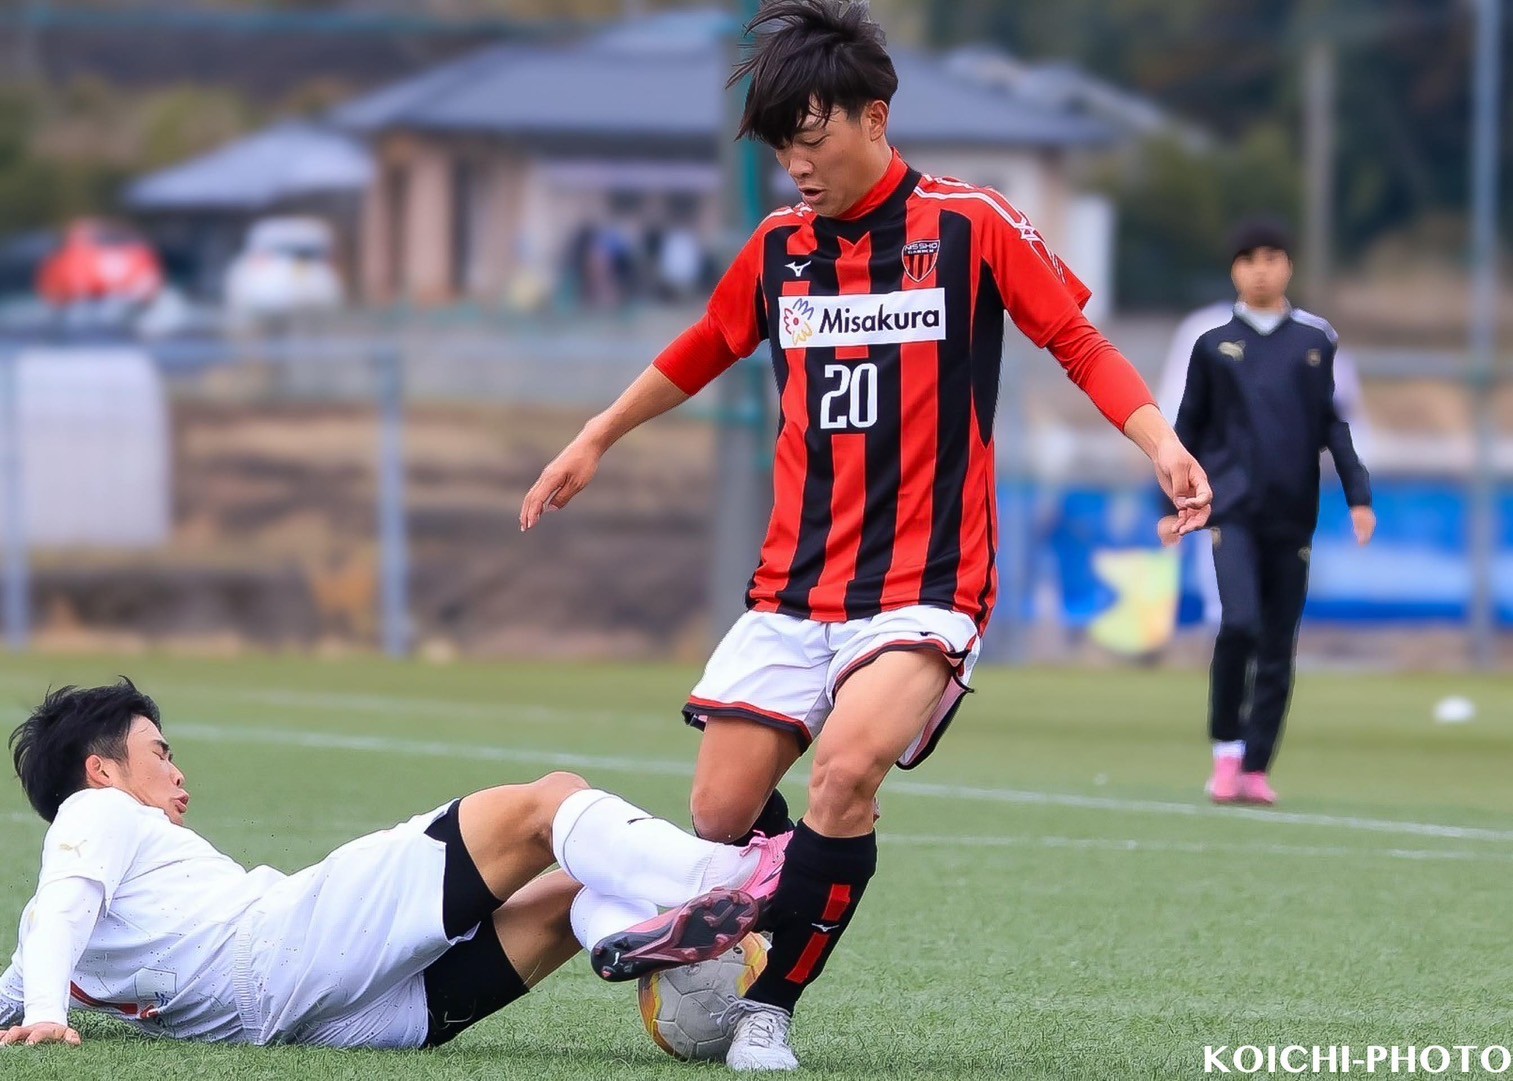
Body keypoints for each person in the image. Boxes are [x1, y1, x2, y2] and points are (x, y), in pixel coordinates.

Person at [520, 1, 1211, 1070]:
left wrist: (1159, 440)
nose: (795, 165)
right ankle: (763, 903)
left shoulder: (970, 224)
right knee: (717, 810)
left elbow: (1076, 340)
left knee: (845, 773)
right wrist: (597, 433)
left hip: (928, 581)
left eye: (810, 137)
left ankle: (769, 1005)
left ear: (874, 118)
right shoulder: (779, 248)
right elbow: (705, 343)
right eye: (779, 146)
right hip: (796, 584)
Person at [0, 679, 785, 1049]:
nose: (178, 775)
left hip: (324, 1024)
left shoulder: (44, 949)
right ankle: (727, 875)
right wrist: (48, 1016)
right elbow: (67, 898)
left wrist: (36, 1005)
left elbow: (36, 954)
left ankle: (622, 937)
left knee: (578, 884)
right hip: (280, 944)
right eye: (159, 752)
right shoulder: (96, 810)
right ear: (101, 771)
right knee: (550, 801)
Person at [1164, 219, 1375, 807]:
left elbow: (1333, 424)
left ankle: (1257, 767)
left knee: (1279, 641)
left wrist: (1358, 494)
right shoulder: (1212, 344)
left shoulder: (1316, 340)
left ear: (1288, 266)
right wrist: (1173, 503)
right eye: (1249, 259)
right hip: (1231, 511)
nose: (1261, 269)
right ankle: (1226, 751)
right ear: (1235, 269)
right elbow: (1187, 427)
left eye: (1272, 258)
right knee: (1239, 624)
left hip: (1293, 512)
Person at [1156, 297, 1373, 627]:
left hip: (1288, 485)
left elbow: (1342, 415)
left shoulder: (1313, 332)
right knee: (1230, 598)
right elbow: (1179, 419)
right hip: (1225, 483)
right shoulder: (1205, 330)